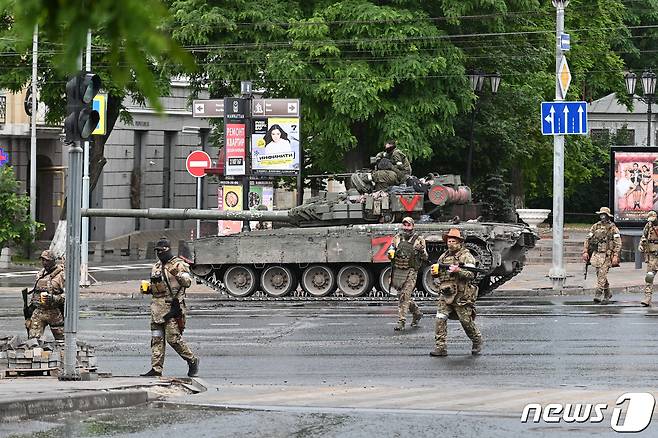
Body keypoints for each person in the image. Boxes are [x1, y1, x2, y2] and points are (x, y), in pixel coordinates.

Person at [141, 237, 199, 377]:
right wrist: (148, 288)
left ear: (168, 249)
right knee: (156, 339)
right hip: (156, 309)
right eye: (157, 251)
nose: (159, 253)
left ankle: (192, 360)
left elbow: (187, 282)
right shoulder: (156, 266)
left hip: (172, 307)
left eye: (162, 250)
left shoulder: (178, 264)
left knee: (173, 339)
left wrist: (176, 273)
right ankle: (156, 369)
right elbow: (156, 285)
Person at [429, 228, 482, 356]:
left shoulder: (466, 256)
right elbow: (440, 275)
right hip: (446, 293)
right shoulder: (444, 256)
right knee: (440, 319)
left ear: (459, 242)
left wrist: (459, 271)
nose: (450, 243)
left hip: (461, 295)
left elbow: (472, 275)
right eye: (448, 241)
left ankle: (477, 340)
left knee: (465, 321)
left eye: (453, 241)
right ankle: (440, 347)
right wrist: (435, 274)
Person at [387, 216, 426, 331]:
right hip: (398, 270)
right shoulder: (397, 238)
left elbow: (425, 257)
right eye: (404, 224)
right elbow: (391, 250)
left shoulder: (419, 239)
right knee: (401, 295)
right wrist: (390, 253)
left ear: (413, 226)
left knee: (404, 296)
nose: (406, 227)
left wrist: (421, 250)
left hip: (411, 271)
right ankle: (417, 312)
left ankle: (401, 321)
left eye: (408, 225)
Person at [582, 207, 622, 304]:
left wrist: (616, 255)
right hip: (597, 254)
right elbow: (588, 238)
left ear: (608, 216)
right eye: (601, 214)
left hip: (607, 255)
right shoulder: (595, 226)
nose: (602, 216)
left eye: (604, 214)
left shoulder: (613, 228)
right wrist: (585, 251)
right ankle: (608, 292)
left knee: (602, 274)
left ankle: (598, 294)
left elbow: (618, 242)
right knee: (599, 274)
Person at [27, 250, 65, 340]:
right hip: (39, 312)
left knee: (62, 341)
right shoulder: (40, 274)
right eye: (42, 260)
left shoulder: (61, 275)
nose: (44, 263)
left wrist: (54, 298)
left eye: (47, 260)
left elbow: (68, 296)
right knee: (33, 341)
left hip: (54, 312)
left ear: (53, 261)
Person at [639, 210, 658, 306]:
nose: (652, 221)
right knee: (649, 276)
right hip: (652, 255)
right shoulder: (648, 225)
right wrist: (641, 245)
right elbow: (644, 236)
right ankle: (647, 298)